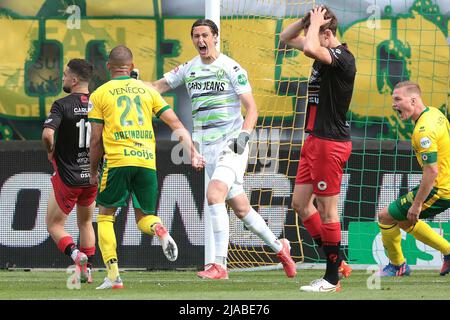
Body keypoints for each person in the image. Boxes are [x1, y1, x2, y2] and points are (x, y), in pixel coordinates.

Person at [149, 18, 296, 280]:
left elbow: (252, 108)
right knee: (241, 208)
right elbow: (157, 87)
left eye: (205, 35)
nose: (200, 41)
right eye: (196, 36)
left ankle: (219, 265)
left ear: (215, 37)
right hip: (208, 148)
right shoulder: (189, 68)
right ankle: (279, 246)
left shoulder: (231, 67)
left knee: (214, 194)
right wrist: (133, 84)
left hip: (233, 144)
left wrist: (243, 136)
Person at [88, 45, 205, 290]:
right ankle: (160, 230)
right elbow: (176, 124)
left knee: (105, 216)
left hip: (118, 161)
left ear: (109, 67)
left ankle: (113, 275)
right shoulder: (147, 91)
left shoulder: (99, 93)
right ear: (131, 67)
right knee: (145, 217)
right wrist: (193, 152)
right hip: (146, 162)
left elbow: (96, 139)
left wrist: (92, 170)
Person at [280, 5, 356, 292]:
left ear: (327, 33)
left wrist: (314, 27)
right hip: (313, 140)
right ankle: (338, 264)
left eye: (316, 29)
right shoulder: (321, 47)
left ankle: (331, 279)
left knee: (328, 210)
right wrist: (305, 20)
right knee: (300, 203)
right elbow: (286, 38)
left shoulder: (342, 57)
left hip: (330, 142)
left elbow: (311, 48)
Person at [377, 81, 450, 276]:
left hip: (440, 189)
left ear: (413, 99)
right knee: (403, 220)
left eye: (397, 99)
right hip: (444, 183)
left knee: (385, 216)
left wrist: (417, 204)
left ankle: (398, 265)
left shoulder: (423, 131)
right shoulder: (435, 113)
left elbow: (432, 171)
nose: (394, 104)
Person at [42, 58, 96, 284]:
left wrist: (50, 150)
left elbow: (47, 134)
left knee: (54, 225)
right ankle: (88, 270)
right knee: (86, 223)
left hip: (68, 176)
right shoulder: (99, 103)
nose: (63, 78)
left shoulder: (61, 105)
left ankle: (76, 255)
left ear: (74, 80)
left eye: (65, 75)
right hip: (91, 175)